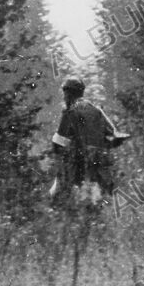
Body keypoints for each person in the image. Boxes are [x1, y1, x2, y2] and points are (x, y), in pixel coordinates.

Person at [50, 76, 126, 206]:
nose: (64, 97)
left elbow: (59, 141)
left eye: (65, 94)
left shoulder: (70, 111)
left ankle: (60, 210)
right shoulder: (96, 110)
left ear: (69, 94)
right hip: (101, 158)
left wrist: (56, 153)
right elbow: (114, 135)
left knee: (60, 191)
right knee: (109, 193)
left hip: (80, 159)